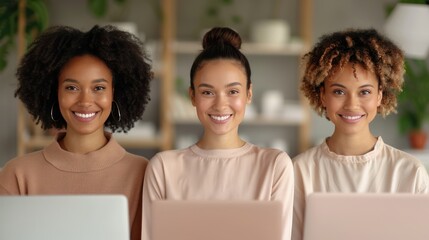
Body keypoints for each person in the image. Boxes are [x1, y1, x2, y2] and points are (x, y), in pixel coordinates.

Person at [0, 25, 152, 240]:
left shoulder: (143, 173)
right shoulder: (17, 175)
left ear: (114, 94)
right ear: (54, 93)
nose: (85, 101)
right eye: (72, 87)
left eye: (98, 88)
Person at [141, 27, 294, 240]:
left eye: (233, 91)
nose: (220, 104)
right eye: (207, 92)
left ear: (249, 94)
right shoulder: (163, 168)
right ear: (192, 96)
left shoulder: (274, 166)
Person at [292, 28, 429, 240]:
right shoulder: (299, 171)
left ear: (379, 96)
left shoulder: (409, 172)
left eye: (364, 92)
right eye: (339, 91)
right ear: (322, 96)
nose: (352, 105)